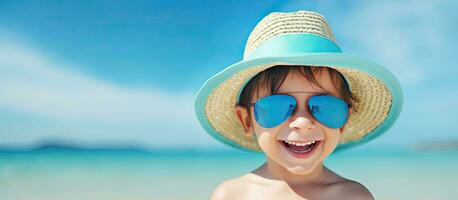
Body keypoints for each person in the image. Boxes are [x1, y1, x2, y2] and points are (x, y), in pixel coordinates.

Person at [194, 10, 403, 200]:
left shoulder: (353, 196)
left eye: (326, 106)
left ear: (344, 119)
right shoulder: (232, 195)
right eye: (276, 106)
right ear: (246, 119)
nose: (303, 122)